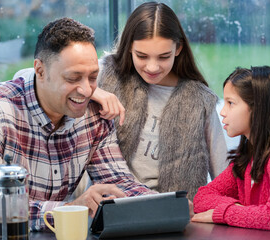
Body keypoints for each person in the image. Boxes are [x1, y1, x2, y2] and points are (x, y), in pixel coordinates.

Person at [0, 17, 156, 231]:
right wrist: (68, 209)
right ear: (40, 71)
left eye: (93, 77)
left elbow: (119, 184)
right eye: (73, 78)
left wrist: (167, 206)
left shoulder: (94, 115)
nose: (87, 91)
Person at [91, 2, 227, 200]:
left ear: (178, 49)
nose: (152, 67)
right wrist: (94, 92)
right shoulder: (106, 72)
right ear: (129, 47)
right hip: (113, 209)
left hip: (178, 217)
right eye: (142, 56)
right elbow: (50, 79)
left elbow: (222, 175)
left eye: (163, 57)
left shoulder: (200, 99)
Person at [192, 66, 270, 240]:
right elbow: (202, 197)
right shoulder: (250, 155)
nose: (223, 112)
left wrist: (223, 213)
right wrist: (243, 211)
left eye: (230, 103)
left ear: (258, 108)